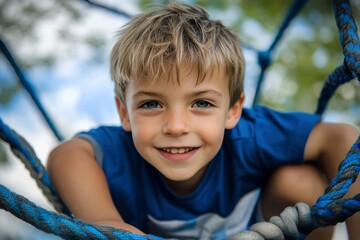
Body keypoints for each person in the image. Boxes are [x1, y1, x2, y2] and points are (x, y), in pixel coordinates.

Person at [47, 3, 360, 239]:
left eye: (201, 103)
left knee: (302, 182)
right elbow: (66, 155)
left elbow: (341, 138)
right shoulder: (121, 151)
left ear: (233, 111)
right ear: (124, 113)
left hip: (262, 228)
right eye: (152, 103)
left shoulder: (249, 135)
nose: (176, 126)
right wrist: (106, 221)